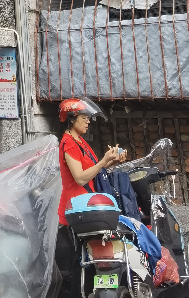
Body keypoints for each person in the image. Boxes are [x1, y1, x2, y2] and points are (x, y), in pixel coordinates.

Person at [55, 98, 126, 298]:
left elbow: (94, 172)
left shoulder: (81, 141)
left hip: (90, 208)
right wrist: (103, 161)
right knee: (82, 262)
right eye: (84, 118)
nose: (88, 121)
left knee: (93, 259)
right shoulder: (69, 143)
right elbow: (80, 177)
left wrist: (112, 160)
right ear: (72, 119)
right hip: (77, 211)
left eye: (88, 118)